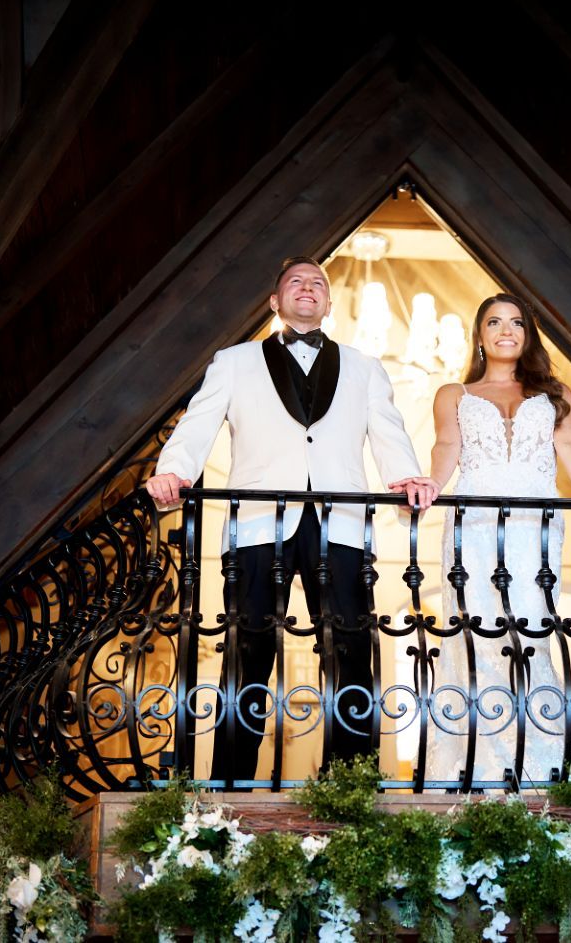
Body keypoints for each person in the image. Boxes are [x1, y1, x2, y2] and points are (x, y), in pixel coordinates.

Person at [145, 256, 438, 782]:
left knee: (350, 650)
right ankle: (229, 783)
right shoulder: (233, 361)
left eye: (319, 283)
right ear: (276, 302)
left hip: (341, 523)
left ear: (329, 303)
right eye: (296, 282)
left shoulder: (365, 366)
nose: (310, 288)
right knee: (247, 652)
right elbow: (198, 424)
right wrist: (173, 472)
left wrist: (407, 477)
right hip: (259, 522)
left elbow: (388, 431)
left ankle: (349, 780)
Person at [424, 293, 571, 787]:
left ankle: (543, 762)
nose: (506, 330)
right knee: (478, 639)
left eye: (517, 322)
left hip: (533, 528)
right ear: (479, 335)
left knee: (532, 635)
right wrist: (430, 488)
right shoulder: (453, 394)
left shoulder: (554, 393)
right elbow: (446, 447)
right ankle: (478, 766)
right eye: (495, 322)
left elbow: (569, 444)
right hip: (474, 527)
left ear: (528, 334)